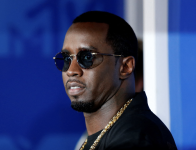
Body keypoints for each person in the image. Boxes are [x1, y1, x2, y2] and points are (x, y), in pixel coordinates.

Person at [53, 11, 177, 150]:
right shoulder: (111, 134)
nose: (71, 70)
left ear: (125, 67)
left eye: (87, 57)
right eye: (66, 58)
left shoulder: (134, 139)